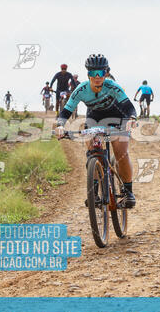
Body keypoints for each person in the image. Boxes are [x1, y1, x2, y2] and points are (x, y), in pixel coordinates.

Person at [55, 54, 137, 208]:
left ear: (106, 73)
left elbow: (128, 106)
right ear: (88, 75)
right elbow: (67, 110)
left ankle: (128, 191)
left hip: (118, 118)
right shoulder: (82, 89)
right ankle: (93, 194)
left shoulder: (113, 86)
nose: (97, 77)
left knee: (121, 153)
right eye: (93, 73)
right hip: (95, 119)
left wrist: (132, 118)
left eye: (101, 73)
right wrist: (60, 125)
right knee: (93, 153)